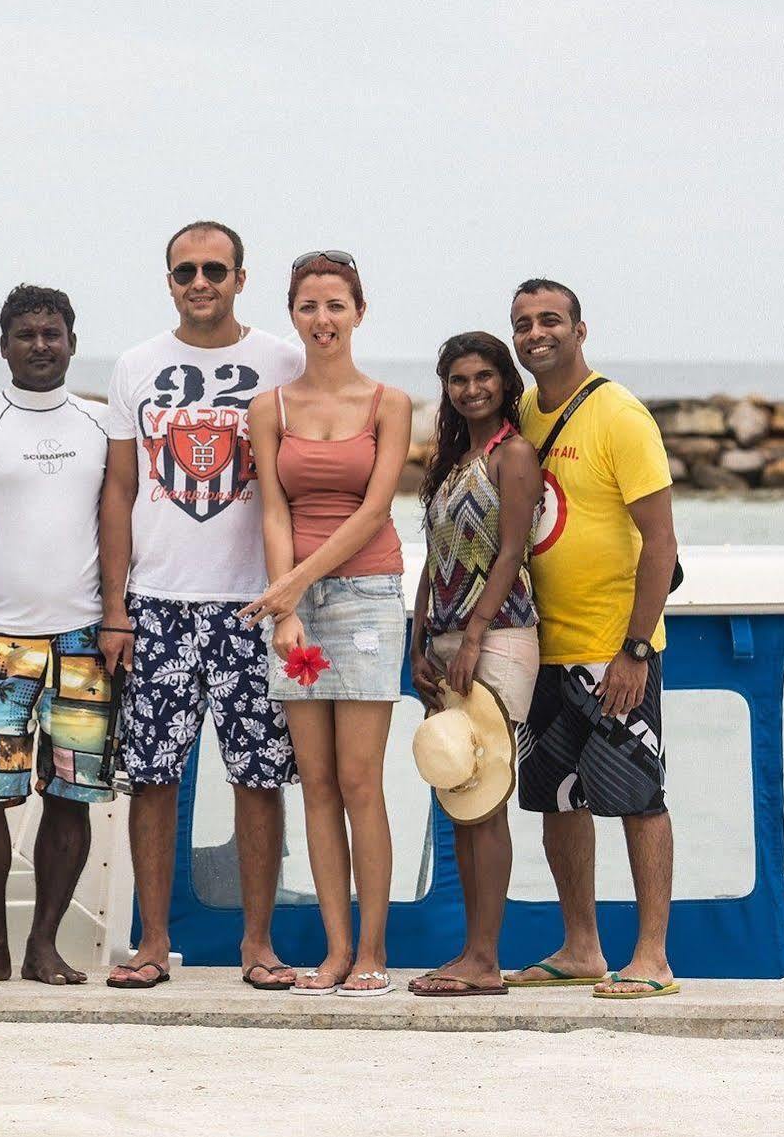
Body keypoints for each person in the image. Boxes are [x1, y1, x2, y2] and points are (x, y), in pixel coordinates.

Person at [99, 220, 306, 990]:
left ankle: (259, 944)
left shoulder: (281, 361)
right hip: (156, 605)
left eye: (213, 269)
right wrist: (115, 608)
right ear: (168, 281)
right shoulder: (135, 365)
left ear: (239, 278)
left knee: (258, 776)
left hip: (253, 605)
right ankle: (151, 944)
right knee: (152, 776)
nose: (199, 282)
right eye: (184, 270)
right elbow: (120, 489)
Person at [0, 285, 116, 987]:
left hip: (85, 644)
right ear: (2, 344)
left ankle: (44, 945)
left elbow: (122, 531)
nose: (40, 345)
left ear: (71, 340)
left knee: (69, 796)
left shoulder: (100, 427)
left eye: (53, 333)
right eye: (26, 334)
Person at [504, 278, 681, 999]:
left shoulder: (619, 415)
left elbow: (661, 542)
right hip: (543, 647)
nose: (534, 333)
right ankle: (581, 946)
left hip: (613, 652)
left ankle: (651, 958)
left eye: (549, 320)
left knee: (636, 799)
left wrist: (634, 650)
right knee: (556, 799)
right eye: (522, 323)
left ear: (581, 329)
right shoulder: (522, 409)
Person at [242, 251, 411, 997]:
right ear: (293, 315)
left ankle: (374, 950)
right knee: (313, 785)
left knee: (359, 781)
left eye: (335, 305)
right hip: (294, 613)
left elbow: (374, 510)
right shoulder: (269, 407)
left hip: (367, 600)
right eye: (308, 306)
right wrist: (285, 611)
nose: (322, 320)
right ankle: (336, 951)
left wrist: (291, 590)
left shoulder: (389, 404)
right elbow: (273, 509)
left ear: (359, 312)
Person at [404, 333, 542, 997]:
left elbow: (512, 552)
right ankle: (472, 952)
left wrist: (475, 634)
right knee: (459, 794)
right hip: (446, 640)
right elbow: (434, 559)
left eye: (483, 376)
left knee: (486, 800)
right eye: (458, 379)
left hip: (499, 638)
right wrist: (418, 635)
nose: (471, 389)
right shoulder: (452, 456)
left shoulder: (512, 454)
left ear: (503, 381)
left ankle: (484, 959)